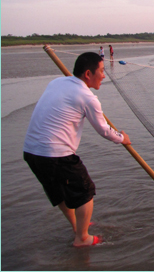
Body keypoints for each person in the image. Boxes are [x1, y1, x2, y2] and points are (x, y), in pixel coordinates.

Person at [23, 52, 131, 247]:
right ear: (88, 74)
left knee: (59, 192)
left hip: (31, 152)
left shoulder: (57, 82)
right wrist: (123, 138)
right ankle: (82, 238)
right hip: (55, 154)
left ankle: (76, 227)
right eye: (101, 71)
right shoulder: (88, 98)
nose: (104, 75)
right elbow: (104, 131)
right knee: (85, 191)